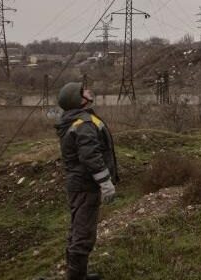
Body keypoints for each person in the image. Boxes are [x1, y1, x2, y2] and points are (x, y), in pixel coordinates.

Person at [55, 82, 119, 279]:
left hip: (79, 184)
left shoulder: (75, 120)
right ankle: (76, 277)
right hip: (85, 185)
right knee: (84, 233)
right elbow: (90, 156)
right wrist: (105, 182)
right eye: (84, 91)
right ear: (78, 99)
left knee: (78, 228)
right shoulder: (84, 123)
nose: (89, 91)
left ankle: (77, 274)